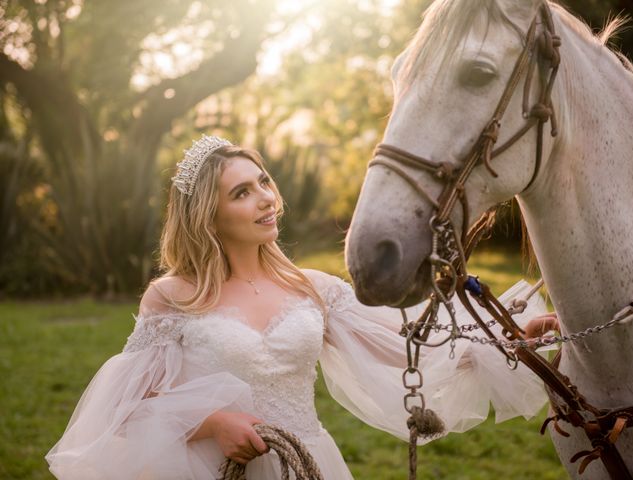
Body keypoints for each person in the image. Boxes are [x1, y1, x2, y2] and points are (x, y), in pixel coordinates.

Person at [46, 135, 558, 479]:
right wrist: (213, 425)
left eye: (264, 182)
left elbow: (407, 350)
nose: (266, 198)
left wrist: (510, 337)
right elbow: (131, 402)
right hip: (206, 466)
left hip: (307, 460)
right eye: (242, 193)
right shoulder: (174, 296)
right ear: (208, 214)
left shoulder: (311, 287)